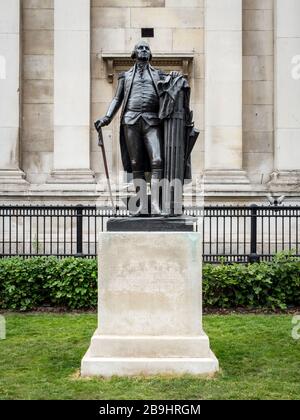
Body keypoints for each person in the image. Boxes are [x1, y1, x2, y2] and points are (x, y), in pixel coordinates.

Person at [95, 41, 167, 216]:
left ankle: (156, 204)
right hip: (130, 121)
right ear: (134, 54)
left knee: (157, 160)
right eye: (140, 48)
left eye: (147, 48)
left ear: (150, 54)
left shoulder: (159, 75)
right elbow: (117, 99)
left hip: (152, 121)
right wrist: (107, 117)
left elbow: (169, 95)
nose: (144, 50)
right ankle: (142, 204)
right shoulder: (125, 76)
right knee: (136, 163)